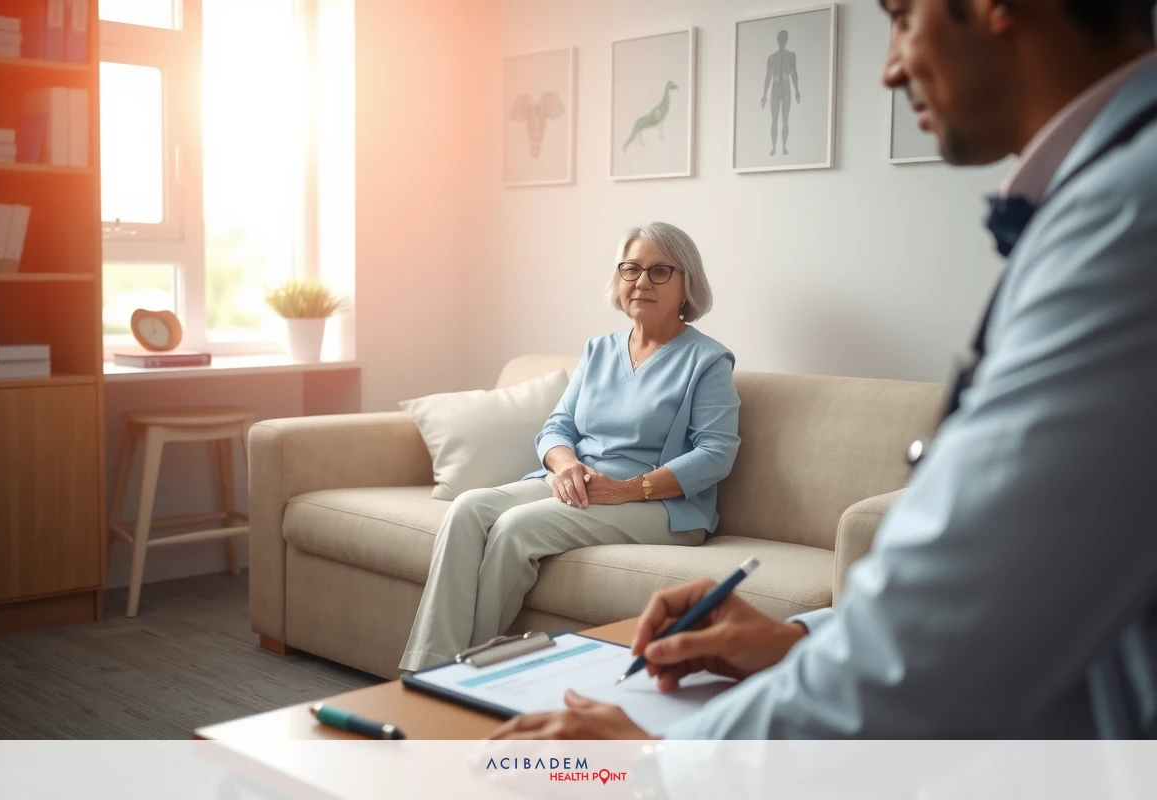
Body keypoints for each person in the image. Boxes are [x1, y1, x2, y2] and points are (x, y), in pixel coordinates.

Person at [491, 0, 1157, 739]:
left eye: (902, 16)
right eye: (629, 269)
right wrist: (802, 639)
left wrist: (663, 763)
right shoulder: (1101, 199)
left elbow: (951, 627)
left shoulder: (1129, 219)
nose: (889, 67)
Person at [399, 222, 741, 672]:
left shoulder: (708, 360)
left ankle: (468, 675)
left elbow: (716, 453)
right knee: (468, 507)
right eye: (632, 268)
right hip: (580, 482)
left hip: (661, 505)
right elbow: (556, 426)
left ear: (686, 286)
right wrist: (566, 467)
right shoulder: (598, 350)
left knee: (515, 528)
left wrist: (625, 489)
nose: (641, 281)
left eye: (660, 271)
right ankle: (427, 668)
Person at [761, 30, 801, 156]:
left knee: (785, 120)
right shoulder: (772, 58)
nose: (781, 40)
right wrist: (764, 94)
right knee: (774, 120)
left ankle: (783, 147)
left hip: (786, 90)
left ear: (786, 39)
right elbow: (768, 76)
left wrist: (797, 91)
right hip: (774, 91)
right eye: (779, 37)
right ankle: (773, 147)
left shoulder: (791, 56)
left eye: (783, 37)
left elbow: (794, 73)